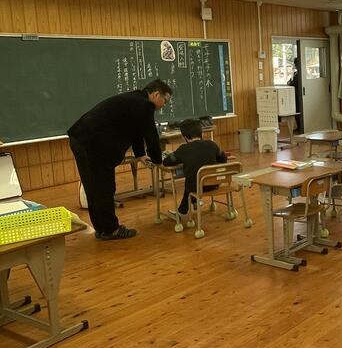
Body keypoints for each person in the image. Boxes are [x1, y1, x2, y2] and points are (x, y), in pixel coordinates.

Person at [68, 79, 172, 239]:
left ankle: (102, 229)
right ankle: (111, 229)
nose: (164, 105)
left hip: (80, 138)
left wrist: (140, 154)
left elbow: (137, 129)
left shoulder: (136, 100)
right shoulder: (145, 105)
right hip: (94, 144)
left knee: (93, 186)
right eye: (165, 101)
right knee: (104, 186)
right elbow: (151, 136)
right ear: (156, 94)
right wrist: (159, 161)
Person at [163, 118, 227, 218]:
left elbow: (167, 162)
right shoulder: (212, 144)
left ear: (184, 137)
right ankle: (195, 202)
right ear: (201, 133)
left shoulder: (183, 149)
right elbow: (223, 158)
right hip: (214, 184)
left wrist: (172, 155)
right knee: (194, 178)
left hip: (196, 187)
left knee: (191, 181)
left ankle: (182, 212)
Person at [287, 56, 303, 133]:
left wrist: (290, 82)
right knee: (297, 111)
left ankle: (301, 127)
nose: (295, 65)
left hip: (299, 95)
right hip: (295, 95)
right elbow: (290, 83)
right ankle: (299, 127)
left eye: (296, 64)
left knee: (299, 111)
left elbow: (292, 84)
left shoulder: (300, 74)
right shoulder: (296, 73)